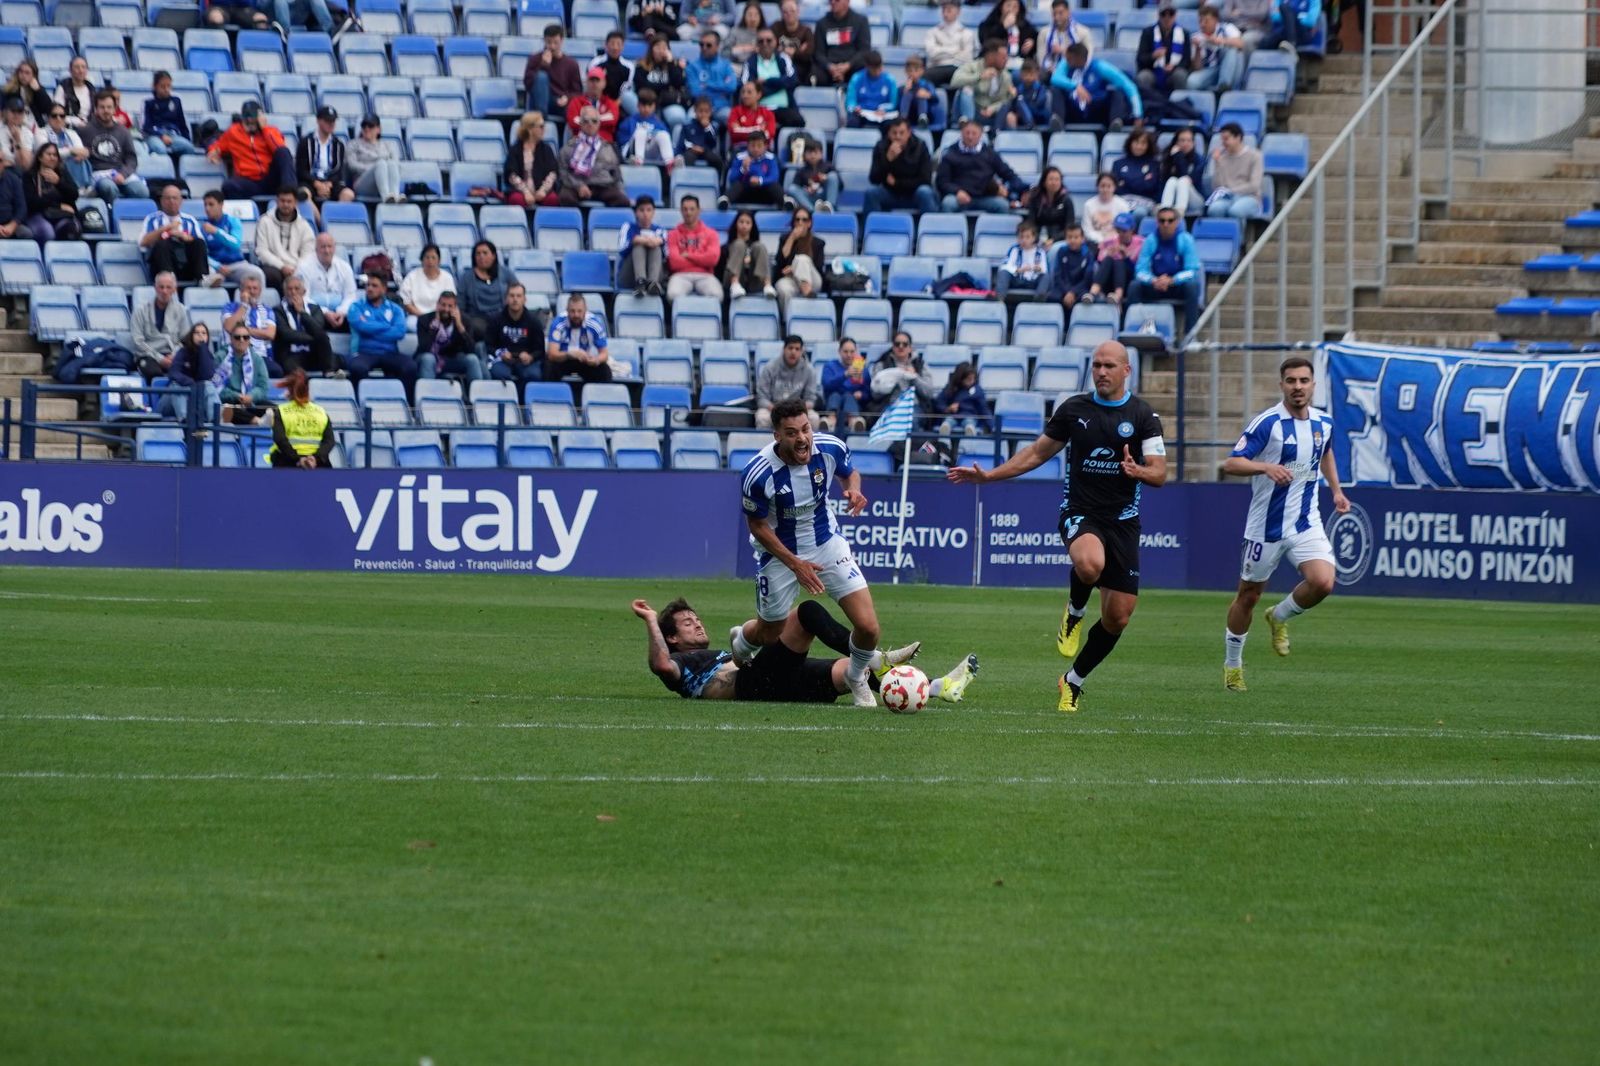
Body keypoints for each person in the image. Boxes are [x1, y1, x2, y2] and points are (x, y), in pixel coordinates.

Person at [946, 341, 1166, 713]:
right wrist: (991, 476)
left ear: (1126, 371)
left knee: (1118, 616)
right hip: (1080, 511)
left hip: (1124, 522)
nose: (1100, 372)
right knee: (1090, 563)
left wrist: (1138, 470)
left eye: (1109, 365)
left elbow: (1159, 472)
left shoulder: (1143, 415)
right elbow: (1036, 452)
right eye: (1096, 365)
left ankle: (1073, 681)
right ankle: (1075, 611)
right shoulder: (1074, 409)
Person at [731, 397, 881, 707]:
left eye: (805, 429)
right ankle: (743, 638)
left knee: (868, 628)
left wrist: (853, 488)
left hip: (827, 543)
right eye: (791, 433)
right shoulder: (758, 474)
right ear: (777, 436)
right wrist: (795, 564)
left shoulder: (829, 448)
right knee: (770, 634)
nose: (802, 439)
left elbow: (849, 472)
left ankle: (855, 676)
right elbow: (758, 526)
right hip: (780, 554)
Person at [1220, 357, 1349, 692]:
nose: (1298, 387)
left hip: (1307, 522)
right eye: (1291, 381)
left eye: (1304, 381)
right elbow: (1231, 462)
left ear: (1313, 385)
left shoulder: (1324, 423)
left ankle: (1278, 616)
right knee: (1247, 596)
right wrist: (1264, 468)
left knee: (1323, 582)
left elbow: (1325, 453)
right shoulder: (1268, 423)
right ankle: (1233, 666)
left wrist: (1336, 491)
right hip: (1266, 527)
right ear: (1282, 385)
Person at [632, 596, 975, 706]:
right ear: (672, 638)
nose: (697, 623)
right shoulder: (681, 663)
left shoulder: (716, 653)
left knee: (853, 673)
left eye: (696, 617)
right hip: (751, 686)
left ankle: (938, 686)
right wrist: (650, 618)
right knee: (807, 612)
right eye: (687, 623)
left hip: (779, 688)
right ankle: (872, 656)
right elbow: (660, 664)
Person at [1130, 207, 1203, 333]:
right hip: (1155, 285)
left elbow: (1192, 271)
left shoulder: (1186, 240)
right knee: (1134, 286)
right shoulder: (1150, 241)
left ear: (1177, 222)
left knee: (1192, 286)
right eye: (1162, 221)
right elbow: (1140, 270)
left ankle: (1190, 334)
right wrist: (1153, 280)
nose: (1166, 224)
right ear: (1157, 222)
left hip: (1176, 286)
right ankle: (1131, 328)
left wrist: (1172, 280)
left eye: (1170, 220)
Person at [346, 272, 415, 401]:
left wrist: (370, 327)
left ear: (384, 289)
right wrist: (387, 326)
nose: (370, 288)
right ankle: (360, 406)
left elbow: (400, 332)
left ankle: (408, 407)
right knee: (357, 367)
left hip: (390, 353)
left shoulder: (396, 309)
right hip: (364, 352)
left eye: (374, 285)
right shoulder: (356, 307)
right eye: (368, 285)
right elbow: (361, 326)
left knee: (410, 366)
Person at [208, 101, 297, 201]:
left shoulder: (271, 131)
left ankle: (290, 193)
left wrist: (264, 129)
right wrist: (212, 152)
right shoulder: (233, 132)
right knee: (229, 186)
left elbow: (279, 148)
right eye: (247, 119)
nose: (250, 122)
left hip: (271, 178)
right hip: (250, 181)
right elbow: (216, 146)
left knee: (284, 153)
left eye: (253, 118)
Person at [934, 117, 1022, 214]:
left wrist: (1007, 190)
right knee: (948, 203)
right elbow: (942, 182)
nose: (970, 137)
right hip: (959, 197)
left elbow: (1010, 175)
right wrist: (957, 191)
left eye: (974, 133)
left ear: (980, 135)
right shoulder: (950, 154)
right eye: (967, 133)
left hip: (984, 197)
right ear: (961, 133)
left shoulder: (990, 154)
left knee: (1002, 205)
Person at [1051, 42, 1143, 130]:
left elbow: (1128, 86)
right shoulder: (1065, 64)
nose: (1066, 60)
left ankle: (1115, 123)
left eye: (1069, 58)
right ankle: (1058, 123)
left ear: (1079, 58)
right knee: (1056, 89)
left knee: (1116, 93)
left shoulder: (1099, 67)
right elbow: (1055, 78)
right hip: (1072, 108)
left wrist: (1138, 114)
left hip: (1095, 108)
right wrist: (1076, 86)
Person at [83, 90, 148, 202]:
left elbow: (131, 159)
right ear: (96, 109)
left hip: (120, 173)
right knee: (109, 188)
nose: (106, 111)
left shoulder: (123, 131)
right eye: (102, 107)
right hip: (99, 174)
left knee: (142, 191)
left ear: (114, 108)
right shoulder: (85, 131)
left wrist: (123, 174)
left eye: (109, 107)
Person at [558, 106, 629, 207]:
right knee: (565, 198)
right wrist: (578, 186)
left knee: (622, 201)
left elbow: (616, 174)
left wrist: (622, 192)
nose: (590, 124)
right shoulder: (569, 147)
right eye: (586, 121)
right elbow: (563, 172)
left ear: (599, 124)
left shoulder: (607, 147)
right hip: (575, 186)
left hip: (602, 185)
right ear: (580, 124)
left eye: (594, 121)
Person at [864, 117, 938, 215]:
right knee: (871, 193)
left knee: (925, 192)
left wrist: (897, 183)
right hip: (890, 193)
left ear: (909, 133)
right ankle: (873, 228)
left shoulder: (920, 146)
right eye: (894, 133)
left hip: (914, 193)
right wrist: (888, 160)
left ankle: (929, 228)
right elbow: (874, 179)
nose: (898, 137)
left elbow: (925, 180)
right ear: (889, 133)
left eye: (901, 133)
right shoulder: (881, 147)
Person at [140, 184, 207, 285]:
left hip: (185, 262)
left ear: (181, 201)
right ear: (162, 201)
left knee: (199, 243)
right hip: (161, 264)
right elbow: (143, 242)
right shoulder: (152, 219)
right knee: (161, 244)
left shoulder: (189, 220)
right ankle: (168, 281)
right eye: (168, 198)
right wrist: (166, 228)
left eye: (175, 198)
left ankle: (203, 279)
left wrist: (184, 236)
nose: (171, 201)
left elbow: (201, 244)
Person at [131, 271, 193, 381]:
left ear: (174, 290)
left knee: (189, 370)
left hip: (173, 354)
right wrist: (160, 359)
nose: (164, 291)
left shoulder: (181, 310)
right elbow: (138, 342)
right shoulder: (140, 311)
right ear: (155, 288)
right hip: (149, 355)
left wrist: (174, 356)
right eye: (161, 287)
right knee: (152, 372)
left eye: (168, 287)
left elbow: (185, 339)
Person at [270, 368, 336, 469]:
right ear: (308, 389)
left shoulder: (281, 411)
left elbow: (280, 440)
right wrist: (314, 458)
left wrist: (299, 459)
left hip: (288, 464)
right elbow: (329, 441)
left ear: (289, 390)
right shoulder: (320, 411)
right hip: (318, 465)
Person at [255, 186, 315, 293]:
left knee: (310, 273)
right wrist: (282, 266)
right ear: (277, 201)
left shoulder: (304, 225)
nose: (286, 205)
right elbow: (261, 251)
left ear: (295, 202)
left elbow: (308, 253)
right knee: (271, 275)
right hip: (274, 267)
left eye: (289, 201)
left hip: (297, 268)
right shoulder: (264, 221)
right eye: (282, 201)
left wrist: (297, 269)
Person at [456, 240, 517, 343]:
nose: (481, 256)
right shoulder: (466, 277)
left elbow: (517, 291)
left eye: (485, 253)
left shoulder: (506, 273)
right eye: (478, 253)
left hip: (503, 317)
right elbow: (460, 306)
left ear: (493, 256)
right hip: (477, 319)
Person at [742, 27, 804, 129]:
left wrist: (766, 81)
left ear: (775, 42)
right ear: (756, 44)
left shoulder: (783, 58)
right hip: (759, 110)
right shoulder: (750, 62)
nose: (765, 43)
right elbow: (746, 87)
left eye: (769, 40)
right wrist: (781, 85)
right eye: (761, 41)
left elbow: (792, 80)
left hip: (783, 108)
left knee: (799, 121)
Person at [665, 194, 724, 301]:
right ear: (681, 211)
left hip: (705, 275)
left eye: (692, 209)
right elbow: (674, 262)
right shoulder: (673, 234)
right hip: (680, 275)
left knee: (716, 295)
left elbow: (712, 260)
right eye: (685, 209)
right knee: (673, 294)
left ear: (699, 210)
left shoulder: (711, 233)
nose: (688, 213)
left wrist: (688, 255)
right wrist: (701, 258)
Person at [294, 105, 349, 220]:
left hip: (330, 182)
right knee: (303, 194)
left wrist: (329, 184)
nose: (331, 124)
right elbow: (301, 170)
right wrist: (316, 183)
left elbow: (338, 170)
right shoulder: (306, 142)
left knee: (348, 194)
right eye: (327, 121)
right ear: (319, 121)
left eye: (333, 121)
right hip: (310, 181)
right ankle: (321, 222)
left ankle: (334, 220)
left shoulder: (338, 144)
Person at [416, 291, 483, 383]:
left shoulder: (465, 321)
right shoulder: (424, 320)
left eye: (450, 306)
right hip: (429, 358)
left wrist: (460, 327)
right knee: (428, 358)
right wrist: (435, 326)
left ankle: (476, 394)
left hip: (452, 358)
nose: (446, 309)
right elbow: (424, 347)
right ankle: (427, 394)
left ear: (455, 308)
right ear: (437, 305)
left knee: (472, 359)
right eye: (443, 305)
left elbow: (471, 350)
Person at [545, 293, 613, 384]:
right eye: (572, 311)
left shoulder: (595, 324)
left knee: (604, 371)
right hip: (564, 359)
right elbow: (552, 354)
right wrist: (569, 354)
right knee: (548, 367)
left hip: (586, 361)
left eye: (579, 311)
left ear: (585, 311)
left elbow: (604, 354)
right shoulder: (558, 323)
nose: (576, 315)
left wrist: (596, 360)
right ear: (567, 311)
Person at [222, 269, 279, 376]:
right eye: (248, 288)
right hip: (235, 355)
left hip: (260, 356)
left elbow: (270, 334)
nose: (252, 292)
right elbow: (229, 327)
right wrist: (244, 305)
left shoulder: (266, 310)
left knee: (277, 371)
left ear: (260, 291)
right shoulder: (230, 307)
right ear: (241, 290)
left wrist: (244, 330)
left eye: (255, 288)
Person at [755, 334, 820, 428]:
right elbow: (761, 398)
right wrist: (775, 409)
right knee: (762, 417)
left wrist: (796, 411)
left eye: (797, 349)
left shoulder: (809, 371)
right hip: (773, 408)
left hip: (798, 410)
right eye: (790, 348)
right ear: (784, 349)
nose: (793, 352)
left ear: (802, 351)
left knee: (814, 418)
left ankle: (808, 443)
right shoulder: (770, 368)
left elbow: (810, 400)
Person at [487, 283, 546, 386]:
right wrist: (500, 353)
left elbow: (540, 350)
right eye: (512, 295)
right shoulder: (496, 319)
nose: (515, 299)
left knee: (533, 375)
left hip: (526, 362)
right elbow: (488, 345)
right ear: (506, 299)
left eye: (518, 296)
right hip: (502, 360)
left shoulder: (534, 322)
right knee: (500, 374)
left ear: (524, 299)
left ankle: (526, 401)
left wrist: (531, 357)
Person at [218, 319, 274, 426]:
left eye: (246, 337)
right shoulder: (221, 357)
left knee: (274, 410)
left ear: (249, 340)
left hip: (251, 402)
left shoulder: (256, 359)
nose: (242, 340)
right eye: (237, 337)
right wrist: (236, 396)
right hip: (228, 404)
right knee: (227, 410)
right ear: (231, 339)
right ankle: (259, 422)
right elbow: (216, 386)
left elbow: (263, 386)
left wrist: (251, 396)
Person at [950, 39, 1016, 129]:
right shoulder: (972, 67)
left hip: (993, 114)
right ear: (991, 56)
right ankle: (969, 125)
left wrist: (993, 108)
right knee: (966, 90)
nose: (1006, 60)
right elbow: (955, 81)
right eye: (1003, 57)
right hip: (974, 109)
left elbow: (1005, 100)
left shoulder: (1006, 75)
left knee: (1010, 117)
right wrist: (979, 77)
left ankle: (1002, 139)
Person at [1207, 121, 1265, 220]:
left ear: (1238, 137)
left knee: (1235, 211)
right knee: (1214, 210)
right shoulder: (1222, 158)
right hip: (1227, 198)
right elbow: (1217, 186)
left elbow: (1254, 185)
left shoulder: (1255, 156)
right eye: (1222, 140)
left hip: (1250, 197)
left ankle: (1241, 235)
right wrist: (1217, 164)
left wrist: (1232, 191)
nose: (1223, 143)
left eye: (1226, 139)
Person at [161, 322, 218, 423]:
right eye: (197, 332)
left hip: (195, 398)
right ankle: (185, 421)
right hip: (170, 401)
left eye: (204, 333)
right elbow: (173, 373)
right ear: (191, 336)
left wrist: (203, 348)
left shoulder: (207, 355)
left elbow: (208, 375)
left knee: (209, 386)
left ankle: (215, 421)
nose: (200, 335)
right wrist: (191, 383)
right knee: (177, 386)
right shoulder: (183, 352)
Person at [298, 231, 357, 328]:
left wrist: (341, 312)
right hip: (315, 312)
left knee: (356, 319)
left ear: (334, 249)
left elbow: (350, 296)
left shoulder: (345, 267)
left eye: (330, 246)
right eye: (323, 247)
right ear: (316, 249)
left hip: (340, 313)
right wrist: (325, 312)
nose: (327, 251)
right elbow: (303, 298)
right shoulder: (304, 267)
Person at [22, 142, 78, 243]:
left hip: (61, 215)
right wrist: (58, 205)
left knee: (68, 229)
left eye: (55, 155)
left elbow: (74, 195)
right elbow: (31, 202)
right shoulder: (30, 176)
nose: (52, 158)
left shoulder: (62, 173)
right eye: (49, 154)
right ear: (40, 157)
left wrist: (58, 182)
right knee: (47, 233)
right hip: (37, 214)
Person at [632, 34, 690, 131]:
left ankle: (674, 145)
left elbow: (679, 83)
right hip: (646, 103)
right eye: (657, 47)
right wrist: (666, 86)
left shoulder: (673, 65)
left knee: (678, 117)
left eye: (664, 47)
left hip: (667, 102)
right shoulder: (642, 65)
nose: (661, 50)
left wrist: (671, 63)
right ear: (651, 49)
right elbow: (642, 86)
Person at [871, 331, 939, 412]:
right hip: (889, 405)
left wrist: (914, 377)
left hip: (914, 407)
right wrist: (890, 382)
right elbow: (874, 394)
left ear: (910, 348)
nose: (901, 346)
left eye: (905, 344)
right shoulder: (882, 365)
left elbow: (929, 393)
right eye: (897, 344)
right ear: (893, 347)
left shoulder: (920, 365)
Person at [525, 23, 583, 116]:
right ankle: (541, 119)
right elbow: (528, 85)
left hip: (561, 101)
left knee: (575, 109)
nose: (552, 46)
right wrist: (543, 66)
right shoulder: (535, 59)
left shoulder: (571, 64)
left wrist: (567, 98)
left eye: (556, 42)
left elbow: (577, 91)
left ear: (561, 41)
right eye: (549, 42)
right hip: (540, 101)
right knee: (541, 76)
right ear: (544, 41)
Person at [773, 204, 825, 307]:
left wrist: (795, 269)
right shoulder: (785, 239)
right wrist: (791, 238)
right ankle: (788, 320)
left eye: (804, 220)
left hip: (812, 281)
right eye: (797, 219)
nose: (800, 223)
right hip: (790, 280)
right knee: (784, 289)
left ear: (809, 223)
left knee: (802, 259)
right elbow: (780, 262)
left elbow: (819, 267)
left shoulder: (818, 243)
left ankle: (806, 290)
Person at [504, 112, 560, 207]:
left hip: (541, 191)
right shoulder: (515, 149)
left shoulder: (546, 149)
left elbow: (552, 173)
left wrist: (543, 190)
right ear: (530, 129)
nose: (544, 130)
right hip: (521, 191)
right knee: (516, 199)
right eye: (541, 126)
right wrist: (526, 192)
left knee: (553, 199)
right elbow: (512, 175)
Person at [812, 0, 872, 87]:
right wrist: (830, 67)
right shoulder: (821, 24)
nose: (833, 2)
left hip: (852, 66)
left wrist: (848, 65)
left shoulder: (860, 21)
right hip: (829, 68)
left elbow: (864, 50)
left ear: (847, 2)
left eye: (837, 0)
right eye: (830, 0)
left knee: (863, 71)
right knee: (816, 75)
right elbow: (818, 53)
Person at [199, 190, 251, 288]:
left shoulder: (233, 221)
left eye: (211, 205)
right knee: (209, 276)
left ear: (221, 205)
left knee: (257, 274)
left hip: (236, 264)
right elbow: (202, 253)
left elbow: (236, 244)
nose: (207, 208)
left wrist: (216, 232)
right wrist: (217, 265)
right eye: (205, 205)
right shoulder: (202, 227)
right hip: (215, 266)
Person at [346, 114, 403, 204]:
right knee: (381, 164)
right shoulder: (353, 144)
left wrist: (380, 168)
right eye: (364, 126)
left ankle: (395, 196)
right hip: (363, 182)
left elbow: (397, 165)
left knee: (391, 164)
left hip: (385, 181)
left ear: (378, 129)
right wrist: (375, 168)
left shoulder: (388, 146)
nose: (367, 128)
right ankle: (386, 198)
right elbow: (352, 165)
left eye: (371, 126)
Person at [619, 195, 669, 297]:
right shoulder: (628, 227)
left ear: (653, 212)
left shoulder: (660, 230)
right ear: (636, 212)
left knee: (655, 247)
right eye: (641, 210)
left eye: (649, 210)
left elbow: (667, 255)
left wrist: (657, 241)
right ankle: (640, 282)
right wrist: (639, 240)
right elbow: (622, 249)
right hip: (630, 274)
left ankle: (652, 283)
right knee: (639, 246)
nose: (645, 214)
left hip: (655, 273)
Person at [1191, 5, 1246, 92]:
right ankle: (1221, 88)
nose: (1202, 24)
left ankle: (1223, 86)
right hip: (1210, 70)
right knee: (1192, 81)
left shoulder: (1227, 28)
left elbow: (1241, 44)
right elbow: (1198, 68)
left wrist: (1220, 41)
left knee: (1234, 51)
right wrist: (1197, 49)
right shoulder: (1196, 37)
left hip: (1230, 68)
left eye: (1206, 21)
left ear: (1215, 21)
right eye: (1200, 21)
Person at [1136, 5, 1190, 94]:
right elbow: (1140, 59)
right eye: (1163, 14)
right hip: (1153, 71)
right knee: (1144, 77)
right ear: (1158, 15)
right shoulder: (1148, 33)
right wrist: (1153, 56)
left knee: (1180, 75)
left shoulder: (1184, 34)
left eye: (1171, 14)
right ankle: (1146, 105)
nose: (1167, 18)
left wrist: (1174, 67)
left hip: (1174, 72)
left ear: (1175, 16)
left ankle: (1180, 106)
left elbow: (1186, 60)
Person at [688, 31, 740, 122]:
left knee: (731, 119)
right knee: (688, 120)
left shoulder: (725, 65)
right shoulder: (692, 66)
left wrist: (707, 85)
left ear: (717, 46)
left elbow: (732, 87)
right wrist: (721, 88)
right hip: (700, 108)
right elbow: (695, 92)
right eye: (701, 44)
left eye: (708, 45)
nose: (704, 48)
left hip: (721, 107)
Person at [141, 70, 195, 159]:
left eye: (169, 86)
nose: (166, 89)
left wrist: (187, 140)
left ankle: (180, 172)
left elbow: (183, 124)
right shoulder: (148, 102)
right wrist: (161, 135)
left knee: (188, 147)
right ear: (155, 86)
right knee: (160, 150)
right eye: (162, 86)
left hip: (173, 135)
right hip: (153, 136)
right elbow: (145, 126)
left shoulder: (176, 100)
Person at [1093, 211, 1142, 305]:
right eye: (1118, 230)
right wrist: (1107, 254)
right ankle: (1093, 293)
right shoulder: (1108, 242)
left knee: (1119, 261)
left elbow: (1139, 269)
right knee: (1109, 259)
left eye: (1124, 231)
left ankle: (1118, 297)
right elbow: (1100, 264)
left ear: (1132, 229)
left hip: (1130, 280)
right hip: (1109, 279)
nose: (1121, 234)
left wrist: (1126, 257)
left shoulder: (1141, 243)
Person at [721, 210, 774, 298]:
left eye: (748, 223)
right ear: (736, 224)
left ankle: (768, 285)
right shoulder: (726, 247)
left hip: (753, 280)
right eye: (741, 222)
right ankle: (735, 284)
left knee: (760, 246)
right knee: (739, 244)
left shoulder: (756, 246)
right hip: (730, 282)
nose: (744, 225)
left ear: (752, 225)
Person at [36, 104, 91, 189]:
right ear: (48, 118)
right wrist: (71, 151)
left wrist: (82, 153)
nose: (58, 119)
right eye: (54, 116)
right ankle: (78, 189)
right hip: (49, 167)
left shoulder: (71, 133)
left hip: (70, 166)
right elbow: (45, 154)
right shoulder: (41, 133)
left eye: (62, 116)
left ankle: (82, 188)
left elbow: (80, 151)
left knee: (80, 160)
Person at [821, 336, 869, 432]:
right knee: (835, 395)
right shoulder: (830, 366)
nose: (849, 355)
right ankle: (831, 421)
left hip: (854, 403)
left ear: (856, 351)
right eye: (846, 351)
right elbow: (826, 385)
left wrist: (861, 395)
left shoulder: (862, 369)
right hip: (832, 403)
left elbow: (868, 392)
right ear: (839, 351)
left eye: (852, 351)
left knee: (848, 396)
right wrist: (845, 375)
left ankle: (854, 422)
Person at [617, 89, 676, 167]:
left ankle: (670, 163)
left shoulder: (659, 123)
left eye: (650, 105)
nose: (646, 109)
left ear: (654, 106)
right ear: (638, 105)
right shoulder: (629, 121)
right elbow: (623, 144)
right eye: (643, 105)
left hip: (651, 152)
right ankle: (638, 162)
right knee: (641, 131)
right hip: (633, 154)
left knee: (663, 134)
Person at [724, 129, 781, 208]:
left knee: (774, 186)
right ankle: (724, 201)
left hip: (764, 193)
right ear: (748, 146)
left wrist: (760, 181)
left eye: (759, 146)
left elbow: (774, 177)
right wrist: (743, 169)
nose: (756, 149)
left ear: (765, 146)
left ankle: (785, 202)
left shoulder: (771, 158)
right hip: (744, 194)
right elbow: (732, 178)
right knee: (738, 185)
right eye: (752, 145)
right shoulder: (740, 157)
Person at [1112, 126, 1162, 217]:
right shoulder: (1118, 163)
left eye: (1143, 143)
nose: (1139, 146)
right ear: (1130, 143)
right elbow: (1116, 188)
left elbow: (1152, 187)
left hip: (1145, 202)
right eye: (1136, 142)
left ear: (1148, 146)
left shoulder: (1154, 165)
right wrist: (1142, 181)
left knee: (1139, 213)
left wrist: (1126, 181)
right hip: (1122, 201)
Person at [925, 0, 977, 87]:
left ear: (958, 12)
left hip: (959, 69)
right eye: (943, 10)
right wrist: (956, 50)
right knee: (923, 80)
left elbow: (967, 58)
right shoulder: (932, 32)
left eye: (949, 10)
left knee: (968, 79)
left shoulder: (967, 34)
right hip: (936, 70)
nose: (945, 13)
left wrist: (941, 51)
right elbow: (932, 54)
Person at [1047, 222, 1098, 310]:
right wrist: (1067, 292)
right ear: (1066, 238)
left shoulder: (1088, 254)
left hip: (1081, 289)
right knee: (1051, 297)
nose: (1073, 240)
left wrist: (1073, 292)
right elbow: (1057, 275)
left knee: (1086, 300)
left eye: (1076, 237)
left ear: (1082, 239)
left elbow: (1087, 278)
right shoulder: (1061, 251)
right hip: (1063, 288)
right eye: (1069, 237)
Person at [997, 218, 1050, 300]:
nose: (1024, 240)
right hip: (1017, 280)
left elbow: (1044, 270)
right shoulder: (1014, 249)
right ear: (1018, 238)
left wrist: (1039, 269)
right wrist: (1018, 270)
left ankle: (1038, 300)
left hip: (1033, 281)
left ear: (1034, 238)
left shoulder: (1040, 252)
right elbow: (1004, 266)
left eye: (1027, 237)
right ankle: (999, 299)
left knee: (1045, 277)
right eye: (1021, 237)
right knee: (1003, 273)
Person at [398, 243, 455, 318]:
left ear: (439, 260)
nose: (430, 261)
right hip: (416, 316)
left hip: (442, 316)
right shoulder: (412, 276)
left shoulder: (447, 278)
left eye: (433, 258)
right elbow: (406, 302)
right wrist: (423, 317)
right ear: (422, 260)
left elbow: (451, 300)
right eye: (427, 257)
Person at [784, 135, 840, 213]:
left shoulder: (829, 167)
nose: (813, 155)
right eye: (810, 152)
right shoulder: (801, 171)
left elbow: (840, 185)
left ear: (821, 153)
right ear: (804, 154)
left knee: (833, 176)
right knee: (792, 188)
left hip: (824, 196)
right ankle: (811, 211)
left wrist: (826, 179)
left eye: (816, 152)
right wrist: (807, 189)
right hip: (809, 198)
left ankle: (829, 207)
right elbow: (795, 188)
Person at [1160, 126, 1207, 216]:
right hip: (1172, 197)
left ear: (1193, 143)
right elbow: (1163, 181)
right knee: (1172, 180)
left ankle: (1178, 215)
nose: (1186, 143)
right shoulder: (1168, 158)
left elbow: (1189, 178)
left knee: (1183, 181)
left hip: (1195, 199)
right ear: (1176, 142)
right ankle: (1165, 212)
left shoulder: (1199, 160)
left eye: (1189, 140)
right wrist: (1175, 157)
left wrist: (1179, 158)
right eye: (1182, 140)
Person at [1039, 0, 1092, 79]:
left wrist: (1064, 51)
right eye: (1054, 14)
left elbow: (1087, 58)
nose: (1057, 17)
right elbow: (1041, 58)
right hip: (1050, 73)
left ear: (1068, 12)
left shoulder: (1083, 32)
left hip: (1076, 71)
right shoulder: (1044, 33)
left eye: (1060, 13)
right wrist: (1050, 69)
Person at [845, 51, 898, 129]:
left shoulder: (890, 80)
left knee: (892, 125)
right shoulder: (856, 78)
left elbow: (894, 103)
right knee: (852, 121)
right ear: (867, 66)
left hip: (881, 115)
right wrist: (854, 108)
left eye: (879, 68)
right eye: (874, 69)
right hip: (862, 113)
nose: (877, 71)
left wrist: (884, 109)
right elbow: (850, 102)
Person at [1023, 166, 1074, 244]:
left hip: (1059, 239)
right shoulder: (1035, 198)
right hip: (1038, 238)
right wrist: (1036, 239)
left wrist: (1054, 240)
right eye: (1051, 179)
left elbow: (1069, 227)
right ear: (1044, 182)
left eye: (1057, 179)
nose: (1054, 183)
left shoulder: (1067, 200)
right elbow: (1031, 222)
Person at [937, 361, 991, 436]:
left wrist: (992, 426)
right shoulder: (950, 388)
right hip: (953, 415)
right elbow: (940, 402)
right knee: (948, 421)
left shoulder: (977, 390)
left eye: (973, 379)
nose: (971, 381)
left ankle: (970, 430)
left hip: (970, 415)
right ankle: (945, 432)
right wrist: (948, 408)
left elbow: (984, 409)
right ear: (961, 378)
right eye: (968, 379)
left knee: (969, 422)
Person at [567, 69, 623, 141]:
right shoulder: (576, 102)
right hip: (580, 143)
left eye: (597, 80)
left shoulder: (610, 103)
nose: (594, 83)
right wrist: (599, 120)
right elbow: (573, 122)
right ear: (586, 82)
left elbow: (613, 120)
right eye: (591, 80)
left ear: (604, 83)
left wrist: (585, 120)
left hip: (604, 145)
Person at [978, 0, 1037, 67]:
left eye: (1015, 7)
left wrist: (1032, 43)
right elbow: (986, 41)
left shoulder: (1025, 25)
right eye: (1008, 6)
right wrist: (1003, 27)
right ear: (1001, 7)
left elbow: (1035, 37)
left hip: (1018, 62)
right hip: (994, 62)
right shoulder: (988, 24)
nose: (1011, 10)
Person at [675, 96, 725, 173]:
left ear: (711, 112)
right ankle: (687, 180)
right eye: (700, 111)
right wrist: (692, 147)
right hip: (691, 151)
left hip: (706, 151)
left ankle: (718, 182)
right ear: (695, 111)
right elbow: (682, 143)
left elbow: (713, 143)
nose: (703, 114)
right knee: (688, 157)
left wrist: (707, 127)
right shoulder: (687, 125)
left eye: (706, 111)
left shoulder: (712, 126)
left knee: (718, 160)